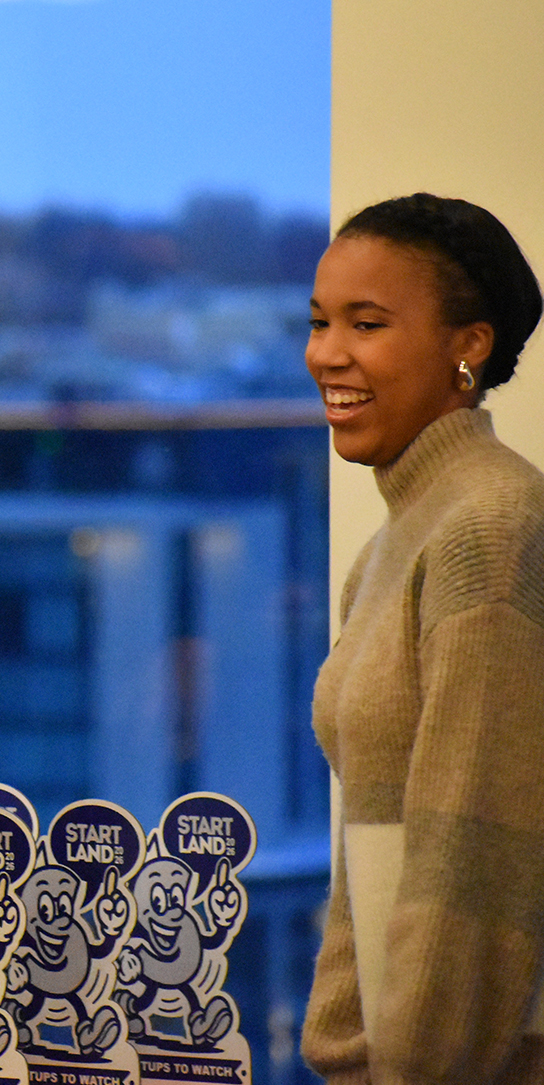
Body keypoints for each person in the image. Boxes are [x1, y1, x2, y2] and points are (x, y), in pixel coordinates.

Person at [301, 193, 544, 1084]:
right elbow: (369, 829)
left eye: (367, 323)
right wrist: (340, 1046)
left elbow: (474, 849)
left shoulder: (490, 525)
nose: (327, 353)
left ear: (468, 345)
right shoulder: (387, 549)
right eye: (321, 321)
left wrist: (413, 1069)